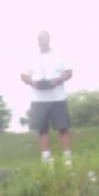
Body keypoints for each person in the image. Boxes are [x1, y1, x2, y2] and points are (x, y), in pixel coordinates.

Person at [21, 31, 74, 167]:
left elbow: (69, 72)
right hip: (38, 99)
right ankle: (46, 161)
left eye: (43, 39)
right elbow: (23, 76)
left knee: (63, 128)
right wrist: (32, 83)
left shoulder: (59, 55)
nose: (41, 42)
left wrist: (58, 80)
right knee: (42, 130)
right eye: (39, 39)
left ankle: (68, 160)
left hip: (58, 97)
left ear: (48, 39)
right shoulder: (32, 58)